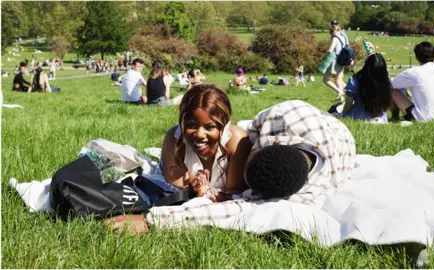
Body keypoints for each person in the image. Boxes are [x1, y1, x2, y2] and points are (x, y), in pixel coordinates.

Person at [104, 100, 355, 233]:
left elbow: (236, 210)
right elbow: (249, 131)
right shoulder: (280, 115)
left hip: (339, 139)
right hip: (309, 126)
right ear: (270, 143)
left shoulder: (311, 192)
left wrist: (152, 221)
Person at [390, 42, 434, 122]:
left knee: (392, 90)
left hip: (423, 119)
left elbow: (391, 84)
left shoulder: (414, 72)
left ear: (416, 57)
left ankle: (394, 118)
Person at [329, 53, 392, 123]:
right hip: (381, 118)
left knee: (332, 112)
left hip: (358, 116)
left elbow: (348, 104)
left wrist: (343, 114)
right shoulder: (386, 83)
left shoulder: (355, 80)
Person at [322, 25, 347, 101]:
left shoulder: (335, 39)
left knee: (325, 80)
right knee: (338, 80)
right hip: (342, 60)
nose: (330, 34)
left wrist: (324, 56)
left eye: (330, 32)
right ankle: (343, 97)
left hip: (335, 60)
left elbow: (330, 50)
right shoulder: (343, 38)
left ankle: (340, 91)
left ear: (333, 31)